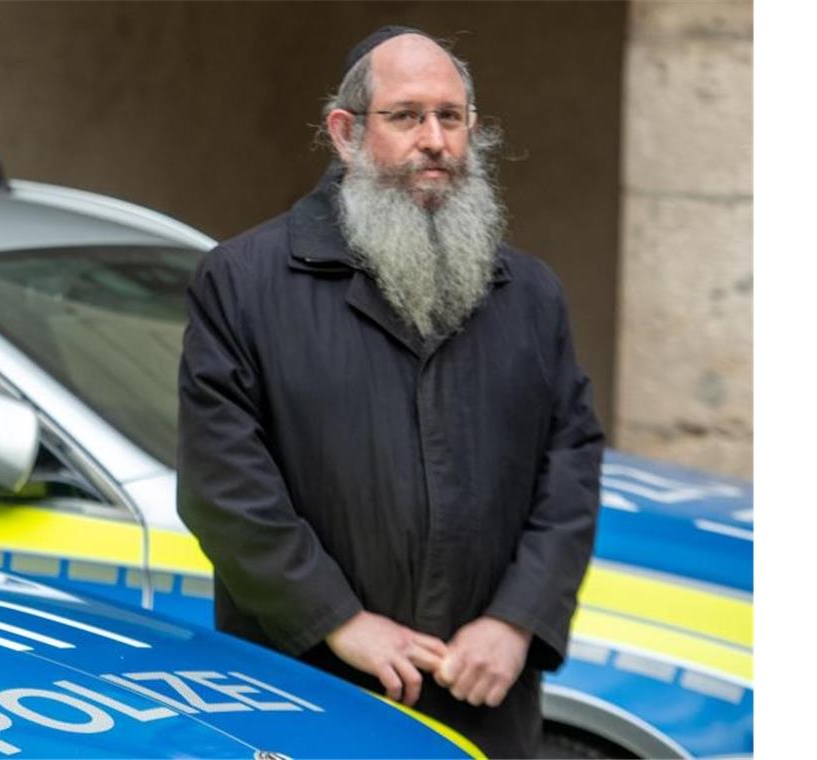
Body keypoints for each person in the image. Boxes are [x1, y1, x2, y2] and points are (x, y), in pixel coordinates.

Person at [177, 25, 603, 758]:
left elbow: (571, 464)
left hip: (483, 697)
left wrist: (516, 620)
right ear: (345, 134)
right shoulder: (244, 281)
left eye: (451, 116)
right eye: (406, 116)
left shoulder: (529, 293)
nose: (434, 139)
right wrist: (340, 620)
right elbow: (225, 485)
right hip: (307, 686)